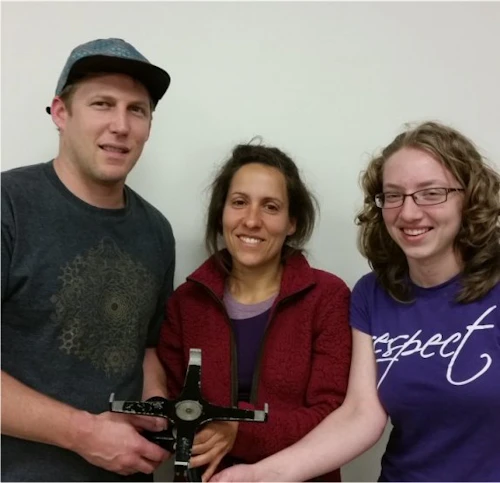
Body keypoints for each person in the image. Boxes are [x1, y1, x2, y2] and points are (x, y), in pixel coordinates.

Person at [210, 121, 500, 482]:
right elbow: (361, 415)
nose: (409, 213)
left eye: (431, 193)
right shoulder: (372, 294)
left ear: (470, 197)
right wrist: (261, 475)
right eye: (393, 195)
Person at [1, 38, 176, 481]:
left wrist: (155, 403)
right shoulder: (9, 207)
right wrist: (84, 434)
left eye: (137, 110)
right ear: (61, 113)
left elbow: (147, 345)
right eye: (102, 104)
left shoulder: (157, 231)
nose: (121, 125)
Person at [157, 141, 352, 482]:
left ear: (292, 222)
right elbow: (174, 409)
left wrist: (239, 430)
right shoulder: (185, 303)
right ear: (221, 213)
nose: (251, 220)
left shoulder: (328, 298)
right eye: (239, 202)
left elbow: (334, 417)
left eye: (270, 207)